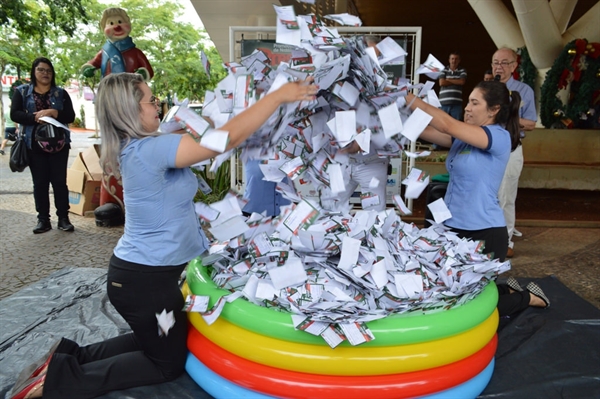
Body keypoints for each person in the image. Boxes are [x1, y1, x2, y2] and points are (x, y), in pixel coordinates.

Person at [8, 72, 317, 399]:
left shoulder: (140, 146)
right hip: (146, 286)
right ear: (130, 109)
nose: (159, 104)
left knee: (153, 338)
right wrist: (277, 97)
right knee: (165, 363)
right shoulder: (149, 150)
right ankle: (56, 384)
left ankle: (66, 361)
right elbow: (219, 142)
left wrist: (243, 105)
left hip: (147, 280)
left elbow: (205, 130)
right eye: (151, 100)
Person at [404, 80, 549, 318]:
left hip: (484, 234)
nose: (467, 108)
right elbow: (421, 129)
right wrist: (385, 108)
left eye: (474, 102)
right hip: (451, 230)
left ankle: (528, 298)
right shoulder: (464, 138)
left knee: (467, 310)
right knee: (443, 297)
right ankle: (505, 289)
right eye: (468, 102)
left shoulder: (499, 136)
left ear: (493, 110)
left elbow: (447, 124)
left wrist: (406, 97)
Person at [10, 57, 76, 234]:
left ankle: (64, 218)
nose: (45, 73)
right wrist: (34, 117)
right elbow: (15, 114)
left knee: (59, 182)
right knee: (40, 183)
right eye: (41, 70)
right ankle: (43, 220)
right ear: (34, 72)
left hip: (59, 145)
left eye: (48, 70)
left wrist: (55, 112)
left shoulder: (60, 93)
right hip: (33, 145)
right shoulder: (22, 92)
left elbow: (70, 116)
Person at [491, 47, 537, 258]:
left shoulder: (523, 90)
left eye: (503, 62)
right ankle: (485, 238)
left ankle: (505, 241)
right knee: (488, 195)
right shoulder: (486, 89)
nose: (498, 67)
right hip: (486, 148)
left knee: (506, 196)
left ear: (514, 66)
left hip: (510, 148)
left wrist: (506, 117)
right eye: (495, 62)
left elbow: (531, 124)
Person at [438, 52, 467, 121]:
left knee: (456, 123)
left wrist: (448, 80)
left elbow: (462, 82)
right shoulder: (443, 70)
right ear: (449, 60)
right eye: (452, 59)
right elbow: (442, 83)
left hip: (456, 103)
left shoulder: (462, 70)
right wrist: (456, 80)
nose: (454, 61)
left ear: (459, 61)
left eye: (456, 59)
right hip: (443, 103)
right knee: (442, 122)